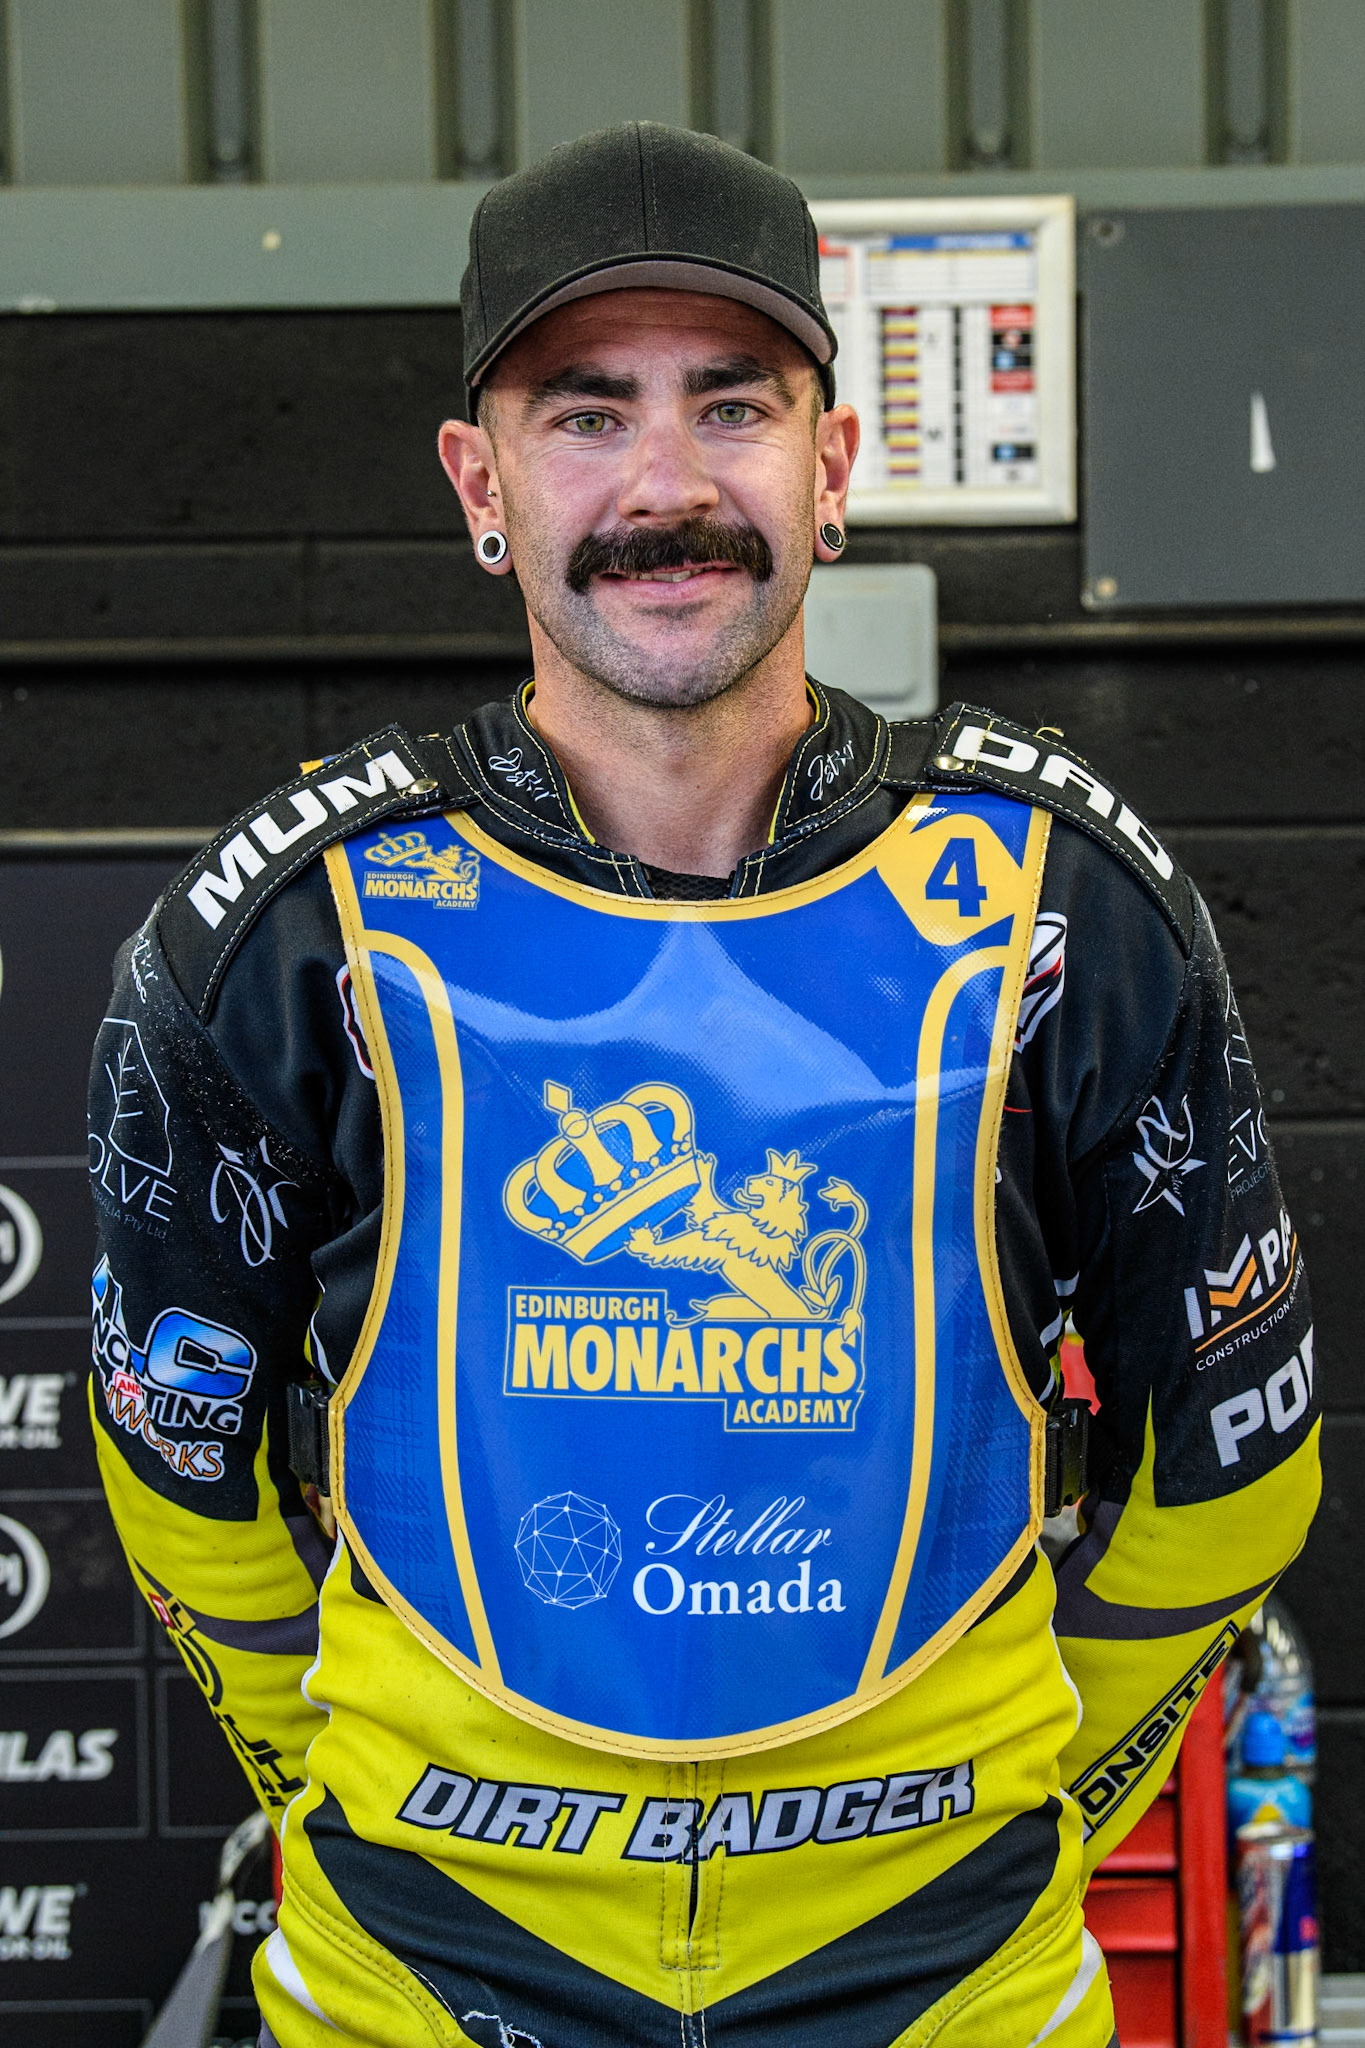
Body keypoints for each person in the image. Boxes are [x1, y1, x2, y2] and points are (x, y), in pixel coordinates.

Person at [89, 123, 1319, 2048]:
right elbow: (176, 1469)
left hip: (947, 1980)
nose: (666, 485)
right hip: (426, 1975)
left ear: (831, 462)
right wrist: (331, 1805)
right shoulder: (289, 931)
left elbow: (1236, 1469)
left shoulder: (1062, 898)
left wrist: (1030, 1821)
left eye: (729, 404)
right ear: (477, 484)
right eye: (583, 415)